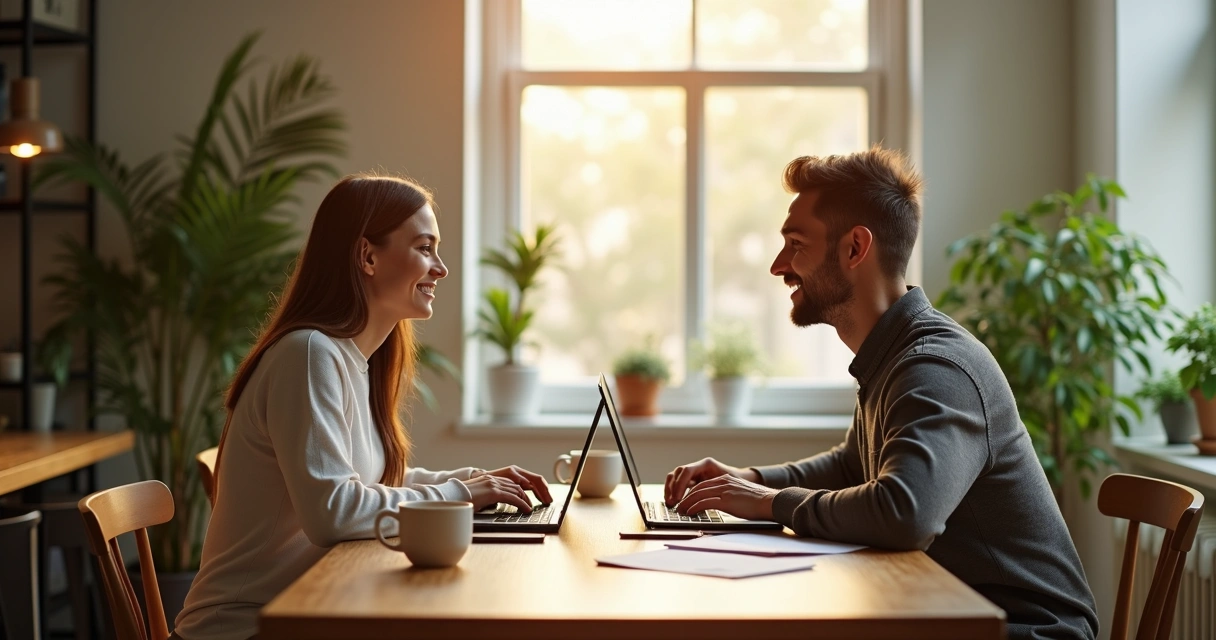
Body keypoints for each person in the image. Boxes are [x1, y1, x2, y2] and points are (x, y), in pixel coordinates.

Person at [664, 147, 1099, 640]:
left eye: (795, 243)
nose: (778, 265)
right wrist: (748, 478)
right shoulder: (892, 355)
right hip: (948, 612)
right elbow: (854, 465)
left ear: (855, 248)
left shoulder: (935, 367)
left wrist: (768, 501)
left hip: (1028, 631)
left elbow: (904, 513)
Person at [173, 174, 552, 640]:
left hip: (310, 613)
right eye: (425, 247)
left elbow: (369, 484)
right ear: (368, 256)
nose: (441, 268)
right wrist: (462, 496)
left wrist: (469, 482)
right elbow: (333, 512)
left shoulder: (353, 360)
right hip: (244, 629)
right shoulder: (308, 354)